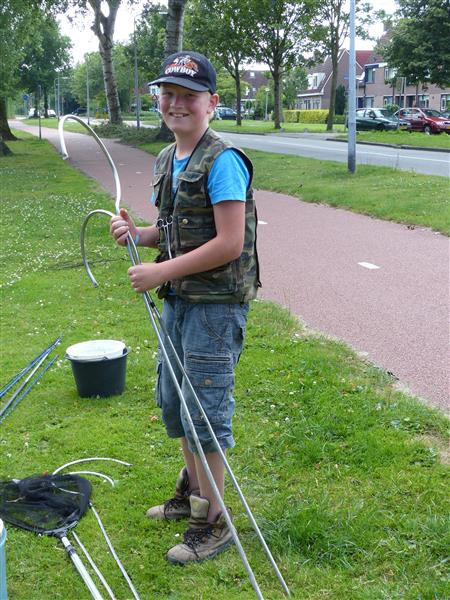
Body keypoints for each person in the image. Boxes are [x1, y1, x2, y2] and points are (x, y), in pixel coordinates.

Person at [110, 51, 260, 565]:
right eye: (167, 94)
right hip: (179, 300)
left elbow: (229, 244)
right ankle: (192, 491)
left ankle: (213, 521)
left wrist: (160, 272)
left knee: (205, 412)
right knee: (176, 403)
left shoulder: (224, 161)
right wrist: (138, 234)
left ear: (211, 103)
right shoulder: (166, 159)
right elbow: (172, 230)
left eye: (188, 96)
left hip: (214, 306)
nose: (175, 103)